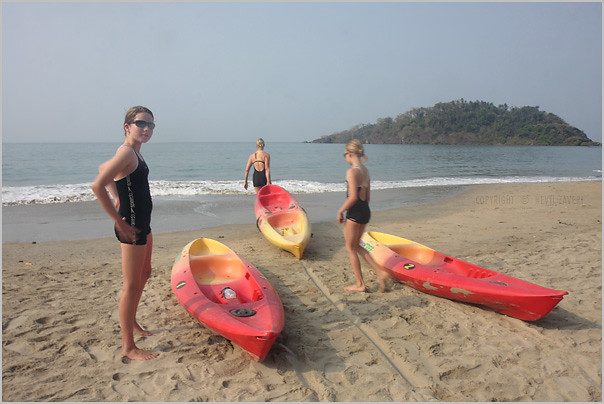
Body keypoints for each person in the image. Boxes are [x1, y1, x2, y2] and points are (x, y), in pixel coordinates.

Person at [91, 106, 158, 360]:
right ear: (127, 126)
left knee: (145, 273)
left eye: (151, 125)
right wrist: (118, 220)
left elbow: (102, 169)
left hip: (143, 222)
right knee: (131, 285)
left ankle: (132, 321)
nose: (146, 129)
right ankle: (128, 347)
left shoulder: (135, 153)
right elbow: (97, 185)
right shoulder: (127, 152)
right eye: (141, 123)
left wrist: (117, 194)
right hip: (130, 225)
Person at [337, 139, 390, 292]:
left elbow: (352, 197)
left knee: (350, 248)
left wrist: (341, 211)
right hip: (365, 210)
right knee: (358, 245)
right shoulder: (366, 171)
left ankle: (360, 284)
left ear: (349, 154)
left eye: (345, 155)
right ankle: (380, 273)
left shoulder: (352, 172)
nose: (345, 158)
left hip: (354, 211)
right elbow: (367, 198)